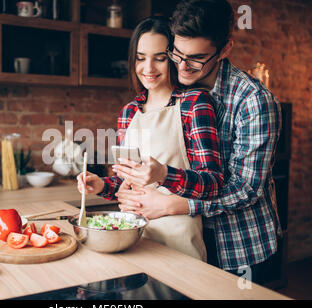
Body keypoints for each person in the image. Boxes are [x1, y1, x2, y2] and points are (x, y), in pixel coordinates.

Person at [115, 0, 282, 285]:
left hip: (239, 246)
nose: (183, 65)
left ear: (224, 50)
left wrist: (172, 205)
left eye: (196, 58)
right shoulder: (176, 93)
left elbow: (246, 190)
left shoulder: (253, 101)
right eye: (177, 53)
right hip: (186, 244)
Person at [77, 16, 224, 261]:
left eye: (160, 58)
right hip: (132, 236)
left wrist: (164, 174)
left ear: (174, 58)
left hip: (177, 240)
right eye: (141, 58)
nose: (149, 68)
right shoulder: (129, 112)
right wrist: (102, 185)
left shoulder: (194, 103)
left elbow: (213, 182)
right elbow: (128, 185)